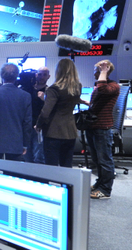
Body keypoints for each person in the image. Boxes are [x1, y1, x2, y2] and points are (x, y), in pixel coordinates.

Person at [84, 60, 121, 199]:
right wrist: (84, 102)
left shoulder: (113, 86)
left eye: (97, 71)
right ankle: (100, 183)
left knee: (105, 160)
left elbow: (103, 89)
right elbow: (97, 101)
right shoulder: (100, 86)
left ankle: (105, 190)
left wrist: (103, 71)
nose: (95, 74)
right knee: (97, 159)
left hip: (102, 128)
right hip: (93, 126)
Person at [35, 59, 82, 168]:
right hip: (70, 131)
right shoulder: (77, 87)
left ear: (58, 70)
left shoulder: (54, 89)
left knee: (51, 167)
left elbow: (45, 112)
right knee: (66, 165)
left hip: (53, 132)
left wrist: (38, 125)